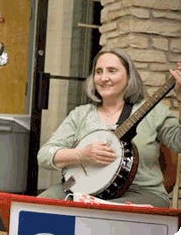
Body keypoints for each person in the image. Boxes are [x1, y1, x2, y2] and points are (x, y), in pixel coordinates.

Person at [37, 48, 181, 208]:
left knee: (96, 213)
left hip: (141, 194)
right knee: (37, 207)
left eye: (112, 71)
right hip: (80, 190)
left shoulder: (154, 112)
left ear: (129, 77)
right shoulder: (81, 114)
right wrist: (82, 154)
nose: (104, 78)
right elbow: (44, 155)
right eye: (98, 72)